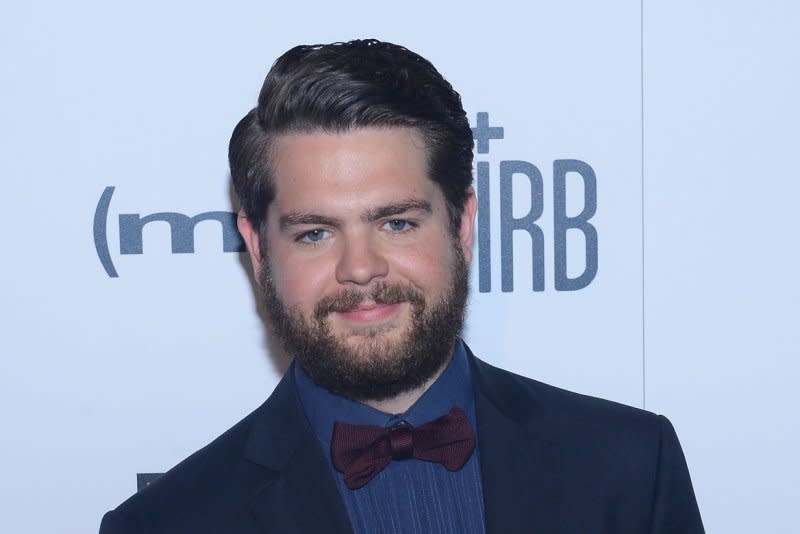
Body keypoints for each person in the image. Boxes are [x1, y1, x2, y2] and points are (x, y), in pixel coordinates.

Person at [100, 39, 704, 533]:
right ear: (258, 249)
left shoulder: (629, 469)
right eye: (314, 233)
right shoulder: (166, 523)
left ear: (462, 226)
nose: (360, 268)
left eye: (396, 223)